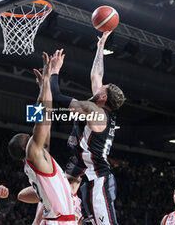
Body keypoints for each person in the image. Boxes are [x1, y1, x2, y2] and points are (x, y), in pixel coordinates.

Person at [49, 31, 125, 225]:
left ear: (104, 97)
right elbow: (96, 75)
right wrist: (100, 47)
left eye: (102, 87)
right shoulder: (100, 112)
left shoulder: (94, 111)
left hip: (99, 180)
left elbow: (56, 96)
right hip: (89, 177)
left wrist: (54, 71)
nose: (98, 85)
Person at [7, 52, 76, 224]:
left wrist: (44, 87)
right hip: (59, 221)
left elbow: (47, 119)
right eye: (28, 137)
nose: (31, 135)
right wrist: (46, 79)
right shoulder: (33, 152)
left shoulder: (38, 155)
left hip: (57, 219)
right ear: (25, 147)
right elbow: (40, 118)